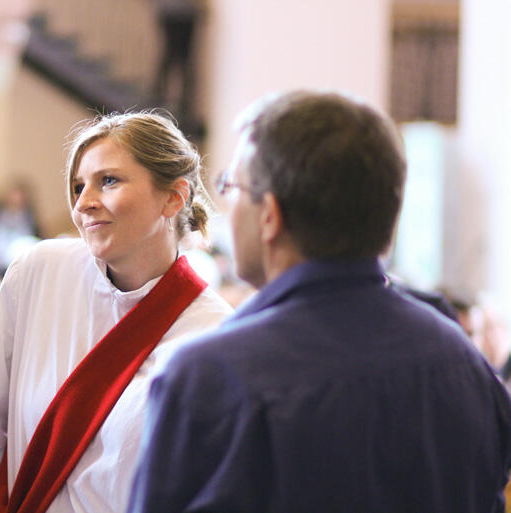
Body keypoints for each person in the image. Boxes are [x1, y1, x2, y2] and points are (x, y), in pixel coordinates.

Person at [127, 91, 511, 512]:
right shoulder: (464, 364)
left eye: (229, 187)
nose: (225, 204)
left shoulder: (208, 379)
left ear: (270, 215)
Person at [0, 111, 233, 513]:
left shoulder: (214, 334)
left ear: (174, 196)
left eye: (109, 181)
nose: (84, 203)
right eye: (78, 186)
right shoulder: (41, 273)